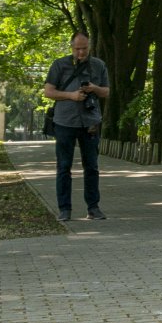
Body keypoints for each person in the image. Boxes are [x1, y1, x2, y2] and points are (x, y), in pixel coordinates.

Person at [42, 33, 109, 223]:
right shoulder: (59, 65)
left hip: (90, 122)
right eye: (77, 48)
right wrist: (71, 96)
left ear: (90, 46)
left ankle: (93, 208)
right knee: (64, 166)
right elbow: (48, 91)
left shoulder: (98, 65)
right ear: (71, 47)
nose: (80, 52)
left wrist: (94, 88)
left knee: (92, 166)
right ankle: (64, 209)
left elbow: (106, 91)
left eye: (84, 48)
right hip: (64, 121)